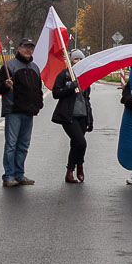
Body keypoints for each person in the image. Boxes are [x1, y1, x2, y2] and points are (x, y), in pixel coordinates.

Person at [0, 38, 45, 187]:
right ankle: (8, 175)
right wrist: (5, 85)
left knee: (23, 145)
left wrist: (39, 104)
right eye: (25, 47)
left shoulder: (35, 67)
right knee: (11, 144)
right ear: (19, 48)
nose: (28, 50)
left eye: (31, 47)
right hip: (14, 110)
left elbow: (38, 89)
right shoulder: (9, 66)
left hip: (29, 112)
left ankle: (19, 174)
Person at [51, 54, 94, 183]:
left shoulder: (85, 76)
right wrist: (70, 87)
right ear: (71, 61)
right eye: (76, 59)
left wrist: (90, 118)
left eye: (81, 59)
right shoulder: (64, 75)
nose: (79, 61)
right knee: (81, 142)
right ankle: (79, 166)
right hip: (68, 116)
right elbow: (56, 93)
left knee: (76, 144)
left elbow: (87, 99)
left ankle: (69, 173)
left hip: (82, 116)